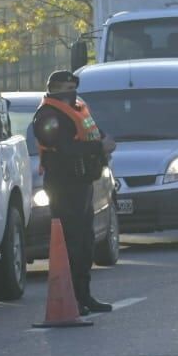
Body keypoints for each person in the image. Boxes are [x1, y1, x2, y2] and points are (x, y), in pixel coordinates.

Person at [32, 71, 117, 316]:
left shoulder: (78, 108)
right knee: (71, 242)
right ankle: (72, 299)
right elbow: (65, 148)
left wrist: (104, 142)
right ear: (57, 89)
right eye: (68, 88)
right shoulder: (47, 116)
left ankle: (84, 295)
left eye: (74, 88)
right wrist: (98, 146)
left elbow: (94, 133)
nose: (72, 93)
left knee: (85, 241)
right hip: (63, 185)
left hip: (83, 183)